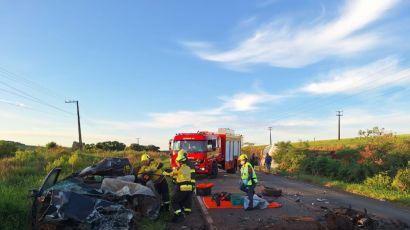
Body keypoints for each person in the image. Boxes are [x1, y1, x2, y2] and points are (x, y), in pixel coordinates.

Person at [163, 149, 193, 222]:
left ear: (180, 162)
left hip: (181, 187)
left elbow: (171, 174)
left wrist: (165, 173)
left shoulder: (179, 168)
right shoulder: (188, 167)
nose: (177, 163)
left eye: (178, 162)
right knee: (183, 200)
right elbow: (180, 175)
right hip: (189, 187)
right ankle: (182, 212)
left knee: (174, 201)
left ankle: (179, 215)